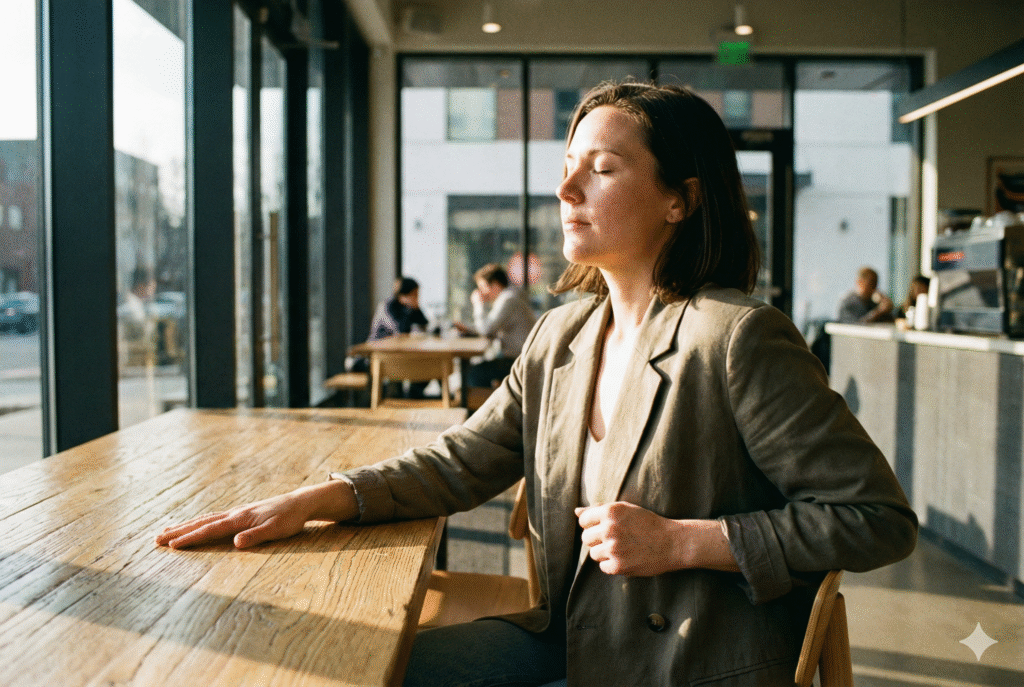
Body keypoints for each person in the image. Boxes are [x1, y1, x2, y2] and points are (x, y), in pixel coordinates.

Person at [156, 82, 917, 686]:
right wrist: (320, 497)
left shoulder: (736, 338)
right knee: (353, 669)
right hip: (569, 639)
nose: (566, 189)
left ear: (679, 199)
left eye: (603, 169)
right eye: (568, 165)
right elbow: (458, 462)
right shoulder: (561, 335)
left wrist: (684, 540)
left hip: (683, 666)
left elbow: (877, 517)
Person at [453, 263, 537, 388]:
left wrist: (478, 303)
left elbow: (486, 330)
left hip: (519, 361)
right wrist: (468, 328)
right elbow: (490, 326)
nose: (481, 292)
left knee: (473, 373)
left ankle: (477, 406)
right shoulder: (510, 296)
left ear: (495, 285)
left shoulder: (508, 299)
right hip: (518, 358)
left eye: (482, 287)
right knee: (475, 370)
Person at [368, 276, 429, 341]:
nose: (417, 298)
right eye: (414, 294)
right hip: (378, 345)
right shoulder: (387, 306)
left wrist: (417, 309)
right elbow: (401, 330)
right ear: (404, 294)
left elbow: (424, 325)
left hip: (396, 344)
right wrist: (412, 308)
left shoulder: (407, 306)